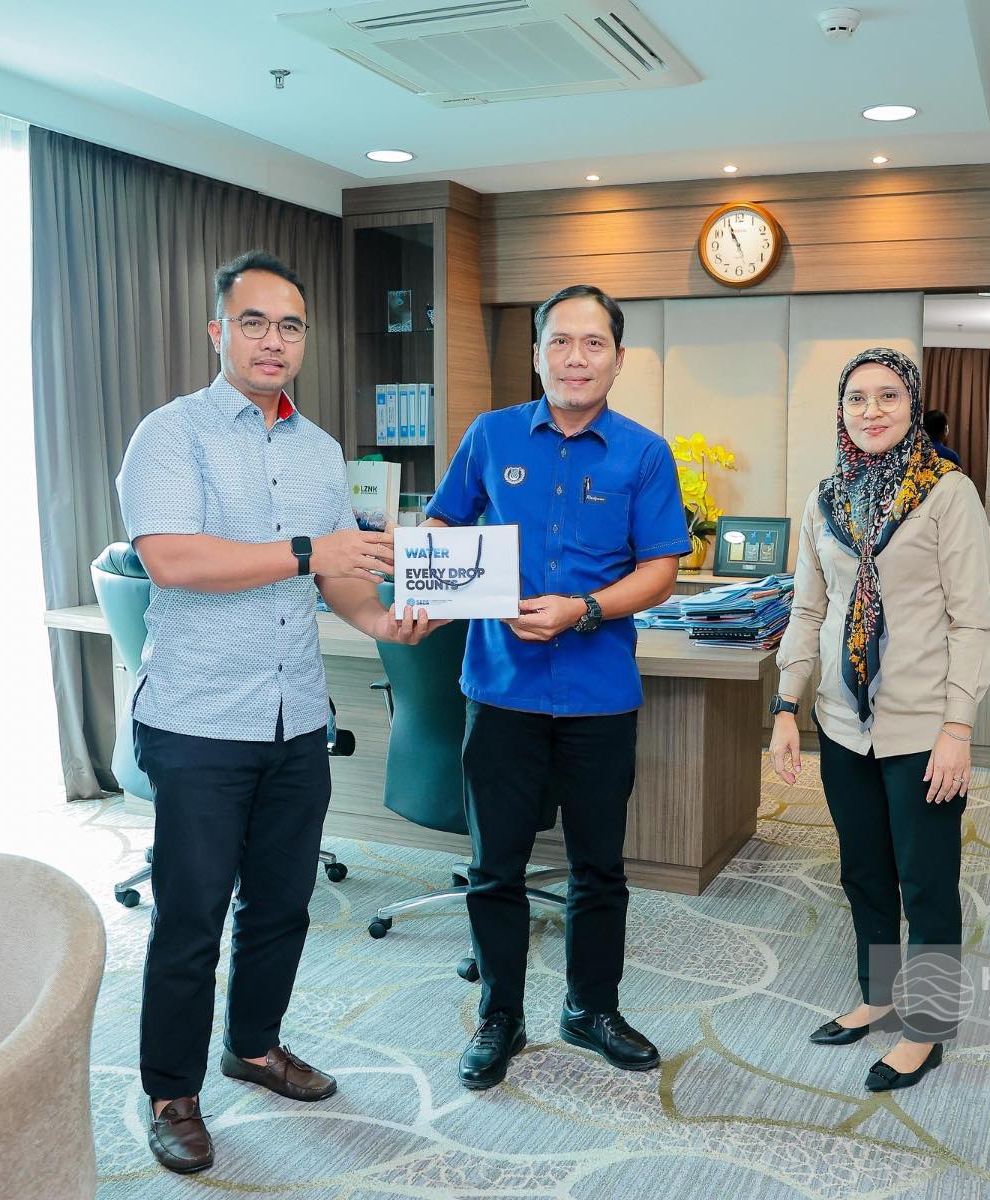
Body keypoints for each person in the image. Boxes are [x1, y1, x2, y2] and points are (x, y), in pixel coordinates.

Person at [116, 250, 441, 1173]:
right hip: (198, 719)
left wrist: (382, 621)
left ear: (304, 340)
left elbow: (339, 575)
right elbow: (174, 559)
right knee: (190, 920)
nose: (273, 340)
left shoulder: (321, 452)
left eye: (290, 325)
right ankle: (171, 1093)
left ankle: (253, 1047)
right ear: (217, 331)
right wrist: (309, 550)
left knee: (282, 906)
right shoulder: (169, 435)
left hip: (295, 716)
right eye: (253, 322)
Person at [422, 284, 690, 1090]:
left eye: (593, 343)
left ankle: (591, 1008)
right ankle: (499, 1014)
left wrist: (585, 609)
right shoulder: (490, 433)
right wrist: (444, 574)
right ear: (537, 353)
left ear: (618, 357)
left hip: (598, 695)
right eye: (560, 342)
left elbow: (662, 570)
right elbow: (443, 521)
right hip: (499, 689)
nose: (576, 358)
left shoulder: (645, 452)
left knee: (598, 867)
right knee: (495, 866)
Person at [770, 348, 990, 1092]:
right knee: (864, 870)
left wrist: (958, 729)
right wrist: (786, 706)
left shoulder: (947, 493)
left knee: (925, 880)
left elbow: (971, 621)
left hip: (923, 727)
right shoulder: (826, 499)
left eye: (888, 395)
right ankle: (879, 994)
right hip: (842, 721)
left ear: (912, 404)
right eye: (857, 398)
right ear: (841, 411)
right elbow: (808, 610)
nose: (872, 411)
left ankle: (927, 1027)